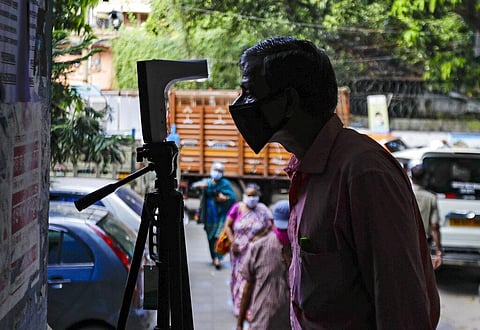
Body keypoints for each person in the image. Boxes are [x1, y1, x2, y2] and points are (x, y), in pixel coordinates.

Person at [229, 36, 440, 329]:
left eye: (250, 92)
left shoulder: (364, 174)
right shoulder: (307, 171)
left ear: (289, 102)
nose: (240, 105)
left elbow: (403, 310)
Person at [237, 199, 291, 330]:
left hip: (287, 321)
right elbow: (248, 287)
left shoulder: (300, 250)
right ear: (272, 223)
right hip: (263, 320)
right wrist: (239, 323)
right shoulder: (257, 248)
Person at [223, 183, 273, 317]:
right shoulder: (237, 208)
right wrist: (232, 242)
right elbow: (227, 225)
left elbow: (270, 225)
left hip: (256, 252)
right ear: (244, 196)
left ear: (258, 197)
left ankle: (249, 307)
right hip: (238, 251)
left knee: (251, 279)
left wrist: (259, 236)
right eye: (249, 195)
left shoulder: (263, 209)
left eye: (254, 195)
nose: (251, 198)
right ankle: (239, 307)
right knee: (238, 278)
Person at [191, 162, 236, 269]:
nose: (217, 173)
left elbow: (233, 198)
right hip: (209, 216)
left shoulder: (225, 183)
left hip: (221, 215)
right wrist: (199, 185)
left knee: (218, 236)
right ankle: (213, 257)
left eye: (220, 171)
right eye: (216, 170)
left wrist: (225, 198)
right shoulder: (207, 182)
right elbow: (193, 187)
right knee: (210, 237)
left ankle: (218, 259)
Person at [411, 164, 442, 269]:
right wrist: (438, 251)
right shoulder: (431, 198)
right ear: (425, 179)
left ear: (411, 177)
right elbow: (434, 226)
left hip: (405, 239)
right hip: (423, 241)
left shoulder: (404, 194)